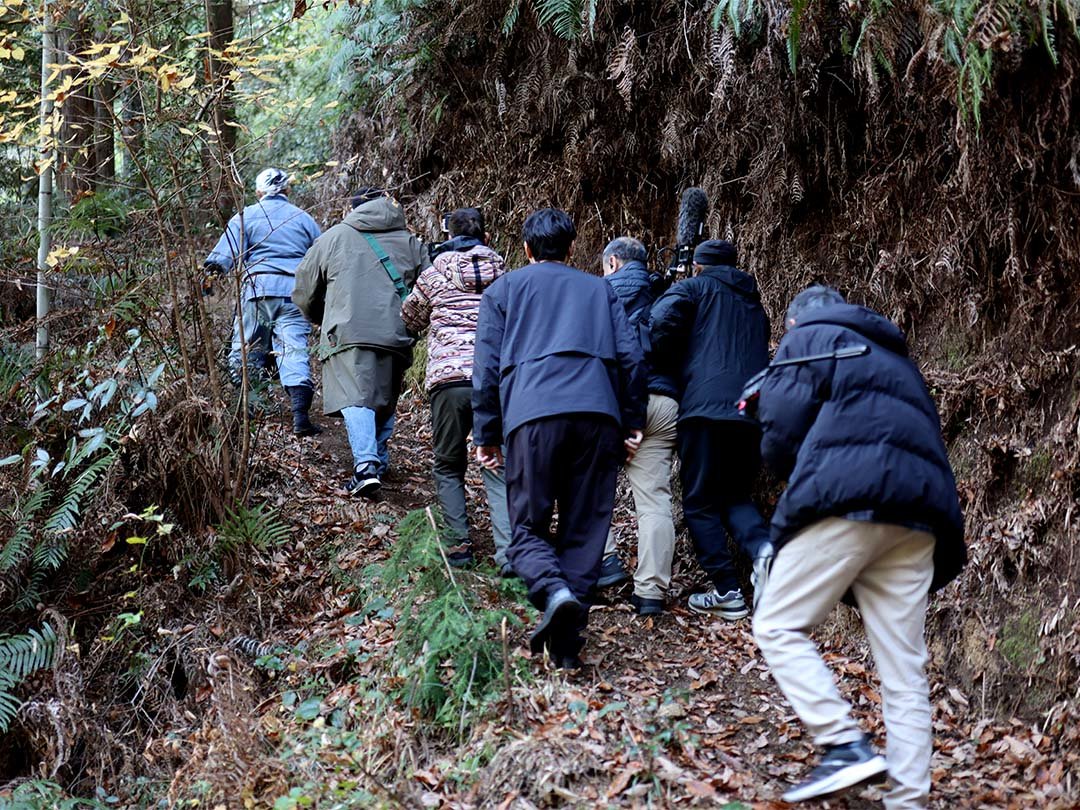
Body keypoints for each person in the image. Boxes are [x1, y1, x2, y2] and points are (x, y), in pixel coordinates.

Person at [751, 285, 966, 808]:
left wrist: (795, 472)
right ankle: (909, 800)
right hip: (920, 515)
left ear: (795, 323)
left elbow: (779, 428)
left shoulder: (810, 338)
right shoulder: (899, 362)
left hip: (848, 498)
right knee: (904, 673)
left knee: (776, 624)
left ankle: (844, 744)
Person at [472, 208, 647, 669]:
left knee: (526, 526)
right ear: (572, 249)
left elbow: (486, 368)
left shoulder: (503, 290)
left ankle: (554, 591)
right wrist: (631, 422)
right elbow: (631, 357)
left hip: (532, 416)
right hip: (597, 415)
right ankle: (567, 643)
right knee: (585, 529)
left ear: (526, 250)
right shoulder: (599, 289)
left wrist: (486, 432)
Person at [648, 239, 772, 620]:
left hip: (704, 409)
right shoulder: (755, 304)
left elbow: (658, 326)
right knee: (734, 495)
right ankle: (765, 552)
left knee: (700, 502)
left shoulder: (692, 288)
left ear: (699, 266)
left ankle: (728, 591)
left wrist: (670, 363)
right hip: (750, 412)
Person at [292, 187, 429, 496]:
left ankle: (366, 465)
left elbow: (303, 289)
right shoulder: (410, 242)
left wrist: (320, 315)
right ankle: (378, 459)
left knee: (356, 396)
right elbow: (429, 288)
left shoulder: (333, 237)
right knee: (384, 396)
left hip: (348, 331)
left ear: (353, 209)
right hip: (397, 334)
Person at [401, 208, 513, 571]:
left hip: (449, 381)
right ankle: (509, 552)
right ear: (484, 235)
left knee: (449, 465)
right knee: (497, 463)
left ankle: (459, 546)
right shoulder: (505, 275)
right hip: (494, 380)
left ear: (448, 235)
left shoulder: (435, 274)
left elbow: (411, 317)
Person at [594, 237, 679, 615]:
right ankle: (650, 593)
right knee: (655, 500)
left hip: (617, 402)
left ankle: (606, 561)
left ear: (612, 262)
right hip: (665, 403)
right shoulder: (669, 290)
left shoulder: (598, 294)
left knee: (588, 485)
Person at [204, 167, 323, 436]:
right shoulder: (304, 219)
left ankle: (250, 410)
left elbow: (223, 255)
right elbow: (321, 256)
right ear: (287, 191)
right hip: (295, 294)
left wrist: (209, 279)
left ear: (258, 192)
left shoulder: (246, 216)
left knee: (247, 349)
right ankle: (300, 416)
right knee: (293, 349)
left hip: (257, 291)